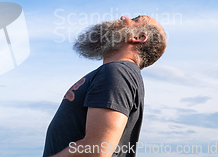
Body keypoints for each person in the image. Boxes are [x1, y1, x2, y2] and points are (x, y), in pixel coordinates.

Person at [42, 15, 167, 157]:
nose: (123, 17)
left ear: (139, 37)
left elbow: (98, 148)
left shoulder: (118, 72)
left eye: (134, 19)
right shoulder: (116, 72)